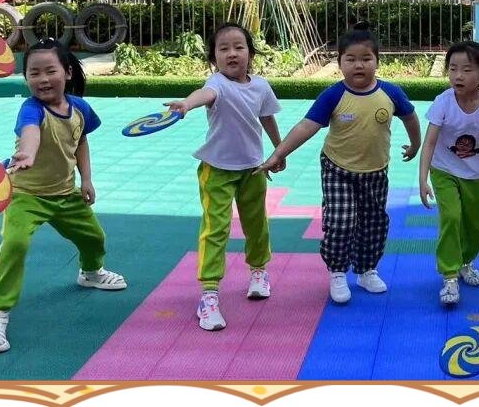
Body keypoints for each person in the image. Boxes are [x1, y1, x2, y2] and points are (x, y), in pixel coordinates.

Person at [0, 38, 127, 354]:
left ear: (68, 72)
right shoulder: (31, 109)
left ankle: (91, 272)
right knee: (15, 244)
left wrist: (87, 179)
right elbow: (30, 132)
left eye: (50, 71)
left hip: (64, 194)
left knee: (94, 238)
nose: (42, 79)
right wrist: (28, 153)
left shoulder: (80, 108)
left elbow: (81, 141)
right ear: (26, 78)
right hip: (25, 195)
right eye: (34, 73)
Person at [257, 22, 421, 304]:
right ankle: (337, 271)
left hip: (375, 171)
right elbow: (306, 126)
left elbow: (410, 117)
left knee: (374, 223)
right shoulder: (334, 95)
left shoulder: (391, 93)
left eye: (366, 59)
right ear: (340, 63)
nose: (359, 65)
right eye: (351, 59)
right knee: (341, 221)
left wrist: (415, 144)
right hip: (338, 170)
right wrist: (278, 153)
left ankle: (366, 269)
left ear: (377, 61)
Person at [164, 22, 282, 332]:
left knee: (256, 224)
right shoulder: (216, 83)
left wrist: (279, 150)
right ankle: (209, 294)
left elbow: (267, 117)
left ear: (250, 54)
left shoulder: (261, 87)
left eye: (239, 47)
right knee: (215, 229)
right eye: (223, 48)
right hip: (216, 170)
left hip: (253, 169)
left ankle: (259, 271)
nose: (232, 53)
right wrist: (187, 104)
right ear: (213, 57)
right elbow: (204, 94)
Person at [419, 41, 479, 306]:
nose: (458, 75)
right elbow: (430, 142)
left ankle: (465, 262)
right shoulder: (443, 102)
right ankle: (449, 275)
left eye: (467, 70)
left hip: (476, 175)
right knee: (452, 217)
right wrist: (423, 179)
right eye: (453, 68)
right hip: (444, 170)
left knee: (474, 223)